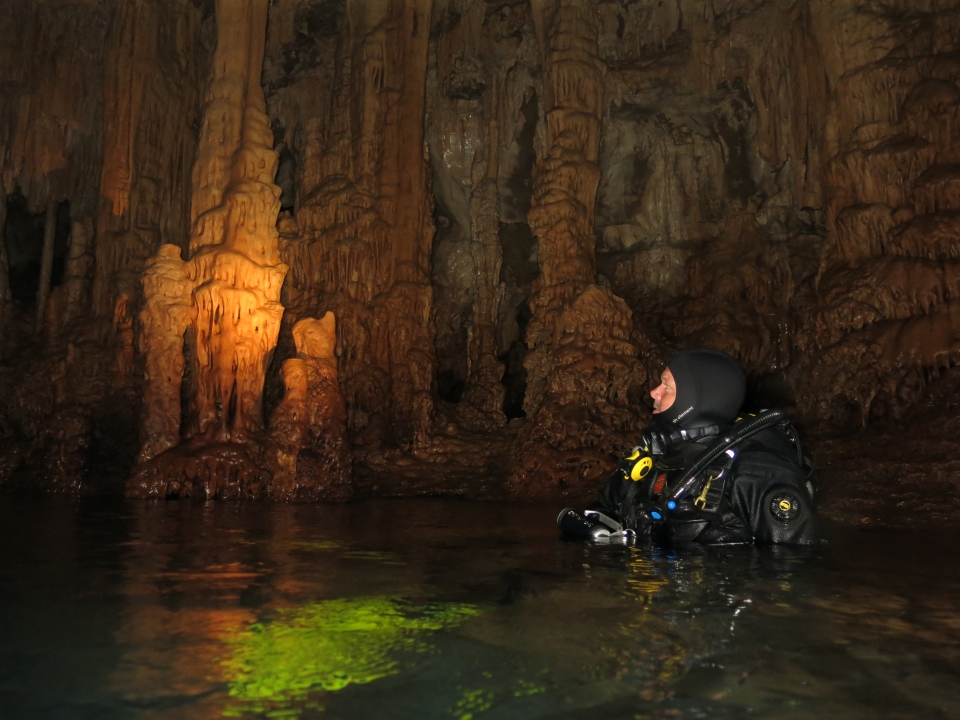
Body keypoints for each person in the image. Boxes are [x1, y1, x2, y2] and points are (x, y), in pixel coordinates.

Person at [559, 348, 820, 545]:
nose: (653, 392)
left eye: (666, 386)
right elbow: (601, 514)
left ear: (695, 401)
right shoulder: (648, 464)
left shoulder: (756, 475)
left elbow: (791, 573)